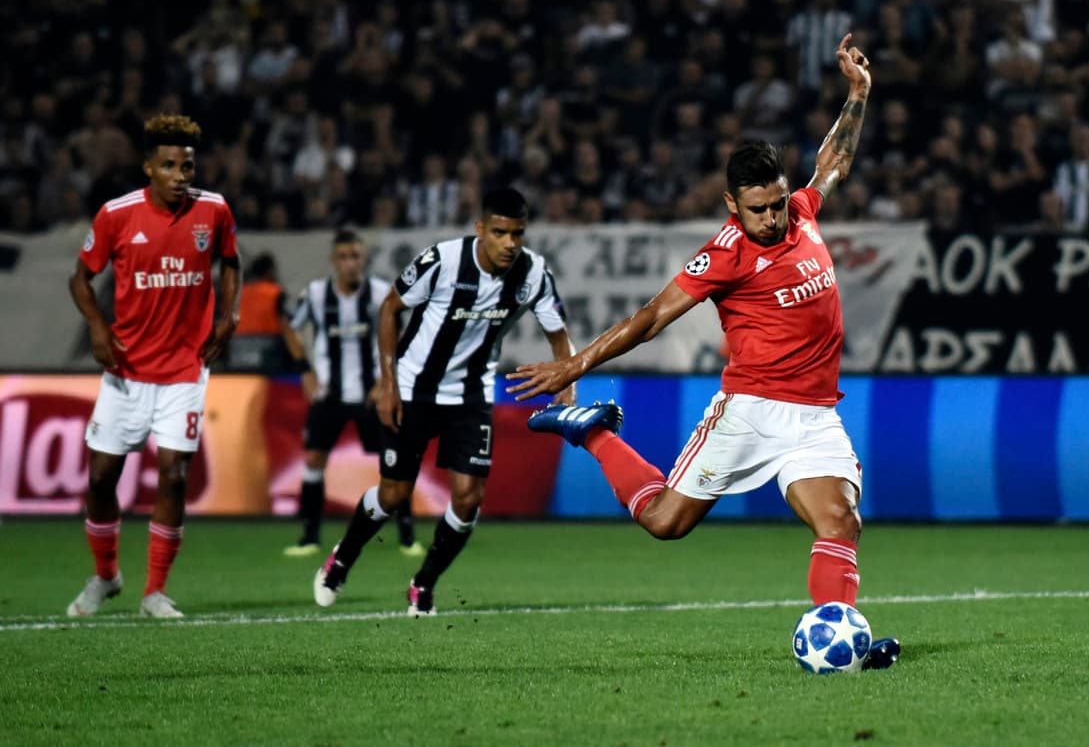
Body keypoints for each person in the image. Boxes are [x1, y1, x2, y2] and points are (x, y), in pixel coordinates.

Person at [508, 35, 899, 670]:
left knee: (841, 523)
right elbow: (651, 318)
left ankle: (845, 639)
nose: (772, 219)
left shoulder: (800, 212)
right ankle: (594, 433)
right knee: (665, 522)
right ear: (731, 205)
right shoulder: (725, 256)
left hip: (814, 415)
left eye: (776, 204)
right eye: (758, 210)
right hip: (749, 409)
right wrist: (575, 364)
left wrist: (857, 95)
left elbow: (833, 164)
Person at [313, 188, 576, 616]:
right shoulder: (443, 260)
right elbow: (389, 307)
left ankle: (424, 583)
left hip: (471, 395)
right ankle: (342, 557)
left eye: (518, 234)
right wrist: (389, 383)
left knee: (469, 498)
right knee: (394, 496)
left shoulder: (533, 273)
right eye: (500, 233)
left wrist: (569, 379)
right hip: (414, 390)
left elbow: (558, 333)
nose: (510, 243)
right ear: (480, 229)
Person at [67, 114, 241, 619]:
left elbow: (231, 260)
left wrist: (229, 316)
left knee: (175, 474)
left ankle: (155, 592)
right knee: (101, 477)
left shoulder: (214, 210)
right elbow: (80, 278)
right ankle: (106, 576)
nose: (181, 174)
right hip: (126, 370)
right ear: (149, 168)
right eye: (169, 165)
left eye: (187, 165)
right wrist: (99, 328)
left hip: (185, 369)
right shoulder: (116, 215)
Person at [282, 229, 421, 557]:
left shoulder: (378, 293)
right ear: (334, 260)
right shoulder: (316, 294)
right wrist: (305, 370)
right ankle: (310, 536)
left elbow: (402, 333)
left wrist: (385, 380)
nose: (350, 264)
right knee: (314, 458)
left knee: (393, 461)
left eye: (356, 256)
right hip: (329, 394)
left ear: (364, 259)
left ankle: (407, 536)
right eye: (344, 257)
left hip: (371, 394)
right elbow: (289, 325)